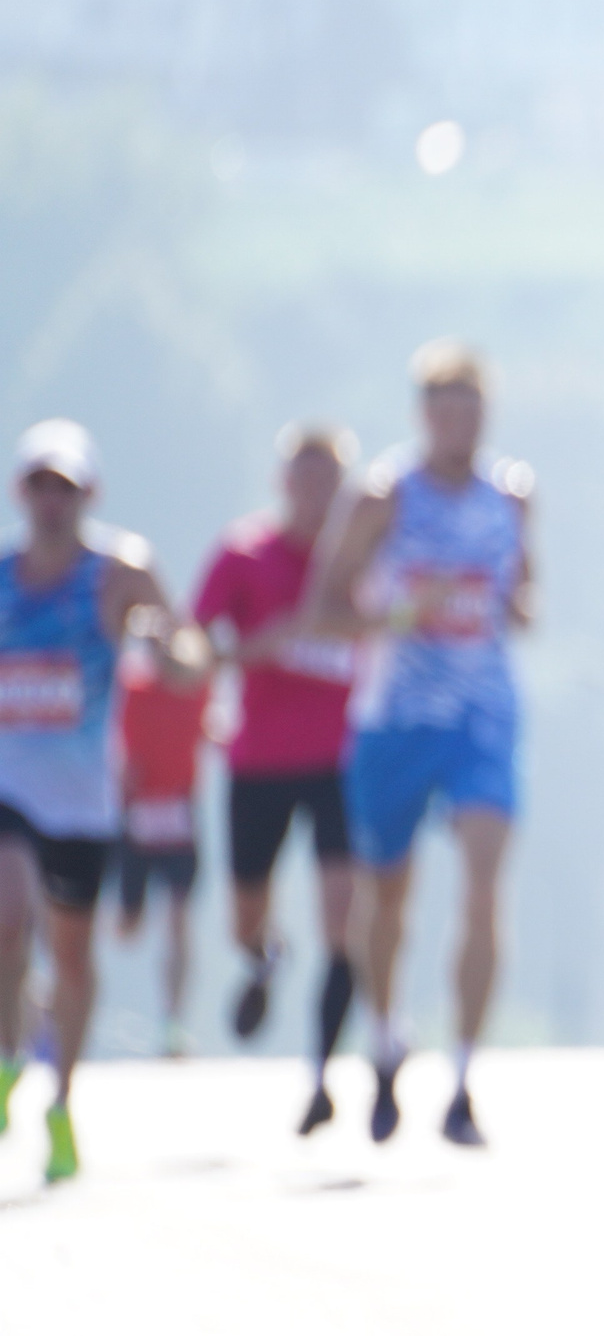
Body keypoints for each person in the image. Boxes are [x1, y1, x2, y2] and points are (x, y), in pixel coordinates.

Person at [307, 341, 533, 1148]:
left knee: (482, 885)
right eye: (442, 410)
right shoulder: (382, 496)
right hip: (395, 718)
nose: (457, 425)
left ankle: (466, 1077)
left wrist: (500, 607)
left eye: (470, 409)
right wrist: (402, 613)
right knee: (388, 898)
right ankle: (387, 1038)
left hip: (482, 715)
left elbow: (523, 593)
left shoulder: (512, 495)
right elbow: (322, 611)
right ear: (421, 415)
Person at [0, 420, 206, 1183]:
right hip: (8, 785)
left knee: (72, 955)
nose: (53, 501)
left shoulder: (120, 572)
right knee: (7, 919)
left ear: (89, 494)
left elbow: (191, 658)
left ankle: (60, 1099)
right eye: (40, 485)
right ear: (22, 492)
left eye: (68, 487)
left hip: (83, 799)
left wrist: (159, 642)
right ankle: (6, 1057)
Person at [192, 421, 361, 1133]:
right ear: (282, 483)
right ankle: (262, 958)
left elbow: (396, 622)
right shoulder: (244, 552)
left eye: (332, 481)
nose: (317, 494)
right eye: (306, 478)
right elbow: (192, 641)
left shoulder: (360, 562)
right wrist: (259, 647)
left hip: (341, 762)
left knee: (344, 919)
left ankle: (322, 1072)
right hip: (258, 758)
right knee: (244, 916)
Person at [109, 623, 214, 1055]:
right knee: (127, 926)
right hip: (135, 819)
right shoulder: (130, 689)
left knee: (177, 918)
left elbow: (212, 723)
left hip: (179, 818)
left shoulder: (197, 688)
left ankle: (172, 1021)